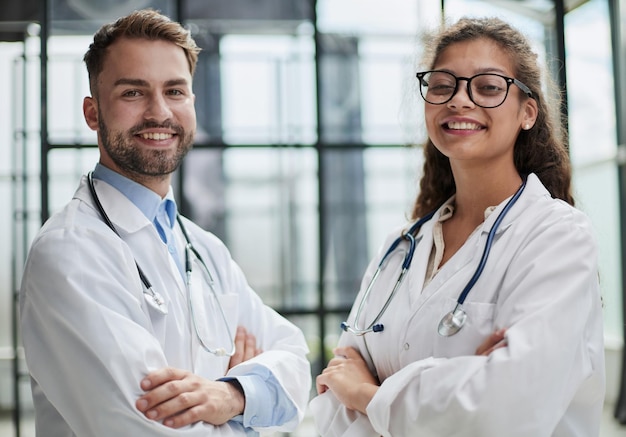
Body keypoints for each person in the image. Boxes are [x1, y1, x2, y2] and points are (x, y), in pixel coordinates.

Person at [19, 9, 311, 436]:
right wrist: (252, 407)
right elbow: (148, 429)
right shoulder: (70, 253)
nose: (159, 113)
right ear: (93, 113)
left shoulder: (203, 248)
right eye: (133, 93)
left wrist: (230, 395)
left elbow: (296, 363)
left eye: (175, 91)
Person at [309, 16, 605, 437]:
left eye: (487, 87)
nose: (459, 101)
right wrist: (454, 386)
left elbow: (504, 410)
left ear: (527, 112)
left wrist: (368, 395)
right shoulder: (401, 248)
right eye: (443, 85)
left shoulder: (556, 236)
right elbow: (332, 393)